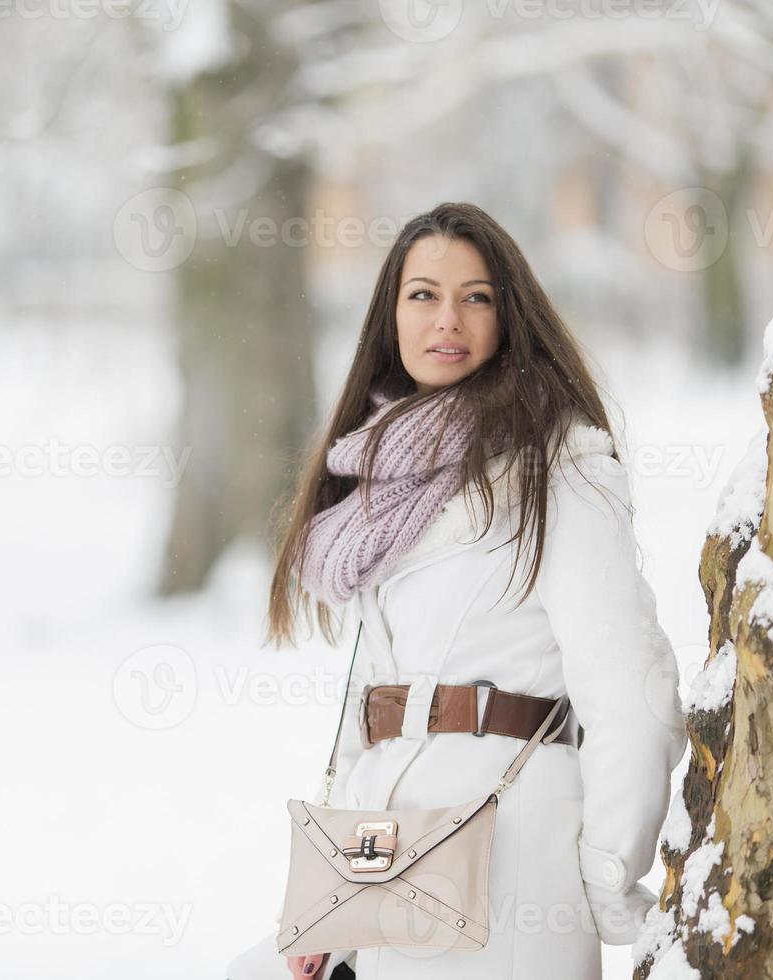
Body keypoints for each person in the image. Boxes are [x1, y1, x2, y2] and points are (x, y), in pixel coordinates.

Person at [226, 203, 688, 980]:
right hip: (384, 859)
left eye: (476, 297)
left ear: (509, 316)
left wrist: (603, 877)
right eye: (424, 295)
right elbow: (366, 715)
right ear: (390, 315)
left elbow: (631, 691)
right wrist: (324, 896)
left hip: (510, 856)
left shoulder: (559, 468)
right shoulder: (376, 488)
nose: (449, 319)